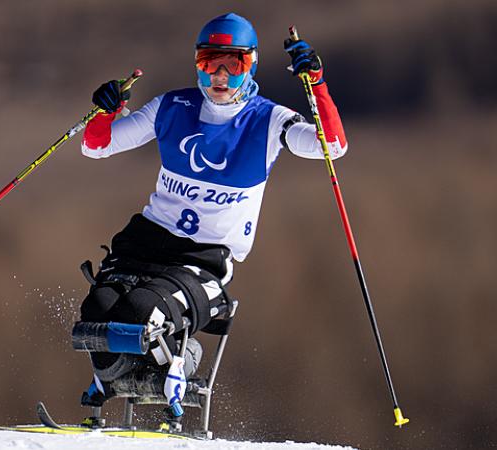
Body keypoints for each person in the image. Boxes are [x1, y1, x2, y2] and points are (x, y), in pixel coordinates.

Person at [75, 12, 347, 426]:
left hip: (202, 257)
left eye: (232, 65)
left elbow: (332, 146)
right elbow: (97, 147)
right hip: (146, 241)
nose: (219, 76)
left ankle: (172, 366)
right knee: (98, 312)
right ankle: (123, 378)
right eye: (208, 63)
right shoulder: (172, 106)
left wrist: (317, 84)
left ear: (250, 64)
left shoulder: (269, 119)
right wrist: (104, 111)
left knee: (140, 314)